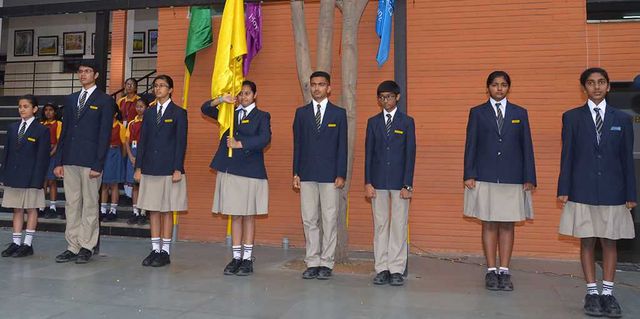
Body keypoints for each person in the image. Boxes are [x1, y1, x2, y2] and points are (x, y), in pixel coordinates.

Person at [557, 67, 635, 318]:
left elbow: (627, 160)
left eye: (601, 82)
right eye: (591, 83)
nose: (597, 87)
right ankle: (592, 293)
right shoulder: (571, 118)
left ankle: (608, 294)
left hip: (614, 191)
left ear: (609, 86)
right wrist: (564, 189)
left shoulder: (622, 119)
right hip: (582, 190)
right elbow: (566, 156)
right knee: (587, 240)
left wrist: (631, 194)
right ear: (584, 88)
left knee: (609, 241)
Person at [463, 71, 536, 291]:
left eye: (503, 85)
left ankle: (504, 271)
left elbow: (527, 147)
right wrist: (469, 173)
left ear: (508, 88)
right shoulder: (477, 113)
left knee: (507, 224)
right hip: (485, 176)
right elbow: (471, 144)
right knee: (488, 222)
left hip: (512, 177)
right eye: (495, 85)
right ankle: (490, 270)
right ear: (488, 88)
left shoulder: (519, 113)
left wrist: (529, 177)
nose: (499, 89)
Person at [201, 80, 271, 276]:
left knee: (248, 215)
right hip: (230, 170)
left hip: (250, 171)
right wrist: (221, 99)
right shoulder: (229, 114)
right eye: (240, 94)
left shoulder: (262, 116)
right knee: (235, 215)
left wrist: (241, 143)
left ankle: (247, 259)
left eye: (247, 93)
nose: (243, 97)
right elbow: (205, 108)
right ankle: (236, 256)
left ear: (255, 95)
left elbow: (265, 138)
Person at [53, 60, 114, 264]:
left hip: (90, 162)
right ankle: (72, 245)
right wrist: (59, 160)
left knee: (89, 204)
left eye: (87, 71)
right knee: (72, 204)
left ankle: (87, 245)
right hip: (70, 158)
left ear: (96, 75)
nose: (83, 75)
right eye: (80, 72)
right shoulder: (70, 100)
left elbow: (104, 134)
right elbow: (65, 132)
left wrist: (99, 164)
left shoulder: (105, 100)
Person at [292, 71, 347, 280]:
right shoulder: (301, 113)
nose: (317, 88)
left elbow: (343, 146)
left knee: (330, 219)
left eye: (321, 84)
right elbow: (297, 145)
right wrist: (295, 172)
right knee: (309, 219)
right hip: (306, 173)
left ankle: (327, 262)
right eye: (313, 84)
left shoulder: (338, 114)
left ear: (329, 88)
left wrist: (341, 173)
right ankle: (312, 261)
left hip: (330, 175)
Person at [364, 80, 416, 286]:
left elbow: (410, 154)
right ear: (378, 100)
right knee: (380, 225)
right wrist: (368, 182)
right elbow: (368, 154)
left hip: (399, 182)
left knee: (399, 225)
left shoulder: (406, 122)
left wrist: (408, 184)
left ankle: (396, 268)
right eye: (382, 97)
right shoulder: (373, 122)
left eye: (390, 97)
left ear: (398, 98)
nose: (386, 101)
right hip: (377, 182)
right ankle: (382, 268)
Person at [134, 75, 188, 267]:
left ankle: (165, 251)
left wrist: (177, 168)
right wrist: (138, 167)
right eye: (155, 86)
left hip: (168, 169)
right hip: (150, 167)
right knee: (153, 210)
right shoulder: (148, 113)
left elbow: (181, 143)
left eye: (162, 86)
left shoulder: (179, 113)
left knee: (166, 210)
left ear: (171, 89)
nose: (158, 89)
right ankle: (155, 248)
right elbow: (143, 142)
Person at [0, 95, 50, 257]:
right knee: (17, 209)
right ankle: (15, 242)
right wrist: (4, 175)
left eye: (26, 106)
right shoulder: (13, 128)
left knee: (31, 208)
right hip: (14, 176)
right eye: (20, 106)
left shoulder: (42, 130)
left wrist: (38, 179)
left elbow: (43, 157)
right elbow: (6, 153)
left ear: (34, 109)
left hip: (31, 177)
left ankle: (27, 244)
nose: (22, 109)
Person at [100, 105, 126, 222]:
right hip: (105, 154)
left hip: (115, 154)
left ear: (115, 114)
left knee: (114, 184)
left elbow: (124, 145)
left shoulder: (120, 127)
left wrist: (122, 158)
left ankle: (113, 210)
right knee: (104, 184)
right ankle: (103, 209)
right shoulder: (103, 126)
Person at [125, 98, 148, 225]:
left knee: (144, 185)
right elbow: (127, 142)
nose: (139, 109)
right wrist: (130, 156)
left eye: (141, 106)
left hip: (144, 155)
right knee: (134, 185)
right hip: (133, 153)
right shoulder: (131, 123)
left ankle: (143, 212)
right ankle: (135, 211)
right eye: (137, 106)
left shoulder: (148, 122)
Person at [40, 102, 63, 219]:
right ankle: (41, 206)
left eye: (51, 110)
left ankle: (53, 207)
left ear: (55, 112)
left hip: (53, 154)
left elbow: (59, 141)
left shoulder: (58, 124)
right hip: (42, 154)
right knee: (43, 182)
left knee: (52, 181)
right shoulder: (41, 124)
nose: (48, 112)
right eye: (46, 110)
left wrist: (52, 152)